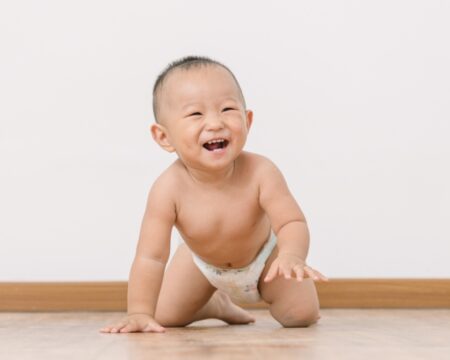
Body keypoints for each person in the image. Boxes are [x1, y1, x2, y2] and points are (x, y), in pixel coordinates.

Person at [100, 56, 328, 334]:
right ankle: (213, 305)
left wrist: (291, 255)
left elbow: (291, 222)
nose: (215, 123)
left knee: (300, 316)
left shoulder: (261, 172)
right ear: (164, 137)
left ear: (247, 120)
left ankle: (270, 291)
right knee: (163, 314)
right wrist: (138, 312)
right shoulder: (167, 189)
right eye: (196, 114)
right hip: (201, 264)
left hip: (266, 260)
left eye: (227, 109)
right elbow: (150, 257)